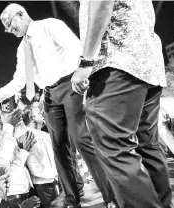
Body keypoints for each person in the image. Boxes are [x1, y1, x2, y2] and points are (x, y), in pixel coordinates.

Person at [0, 3, 113, 208]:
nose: (9, 30)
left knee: (81, 139)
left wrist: (83, 73)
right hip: (50, 94)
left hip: (70, 84)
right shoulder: (21, 49)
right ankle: (72, 196)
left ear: (21, 14)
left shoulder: (49, 26)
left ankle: (110, 194)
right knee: (59, 146)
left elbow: (76, 47)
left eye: (9, 24)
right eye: (6, 27)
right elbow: (19, 81)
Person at [72, 0, 173, 207]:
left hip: (116, 62)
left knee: (114, 147)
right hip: (147, 65)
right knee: (148, 146)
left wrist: (86, 62)